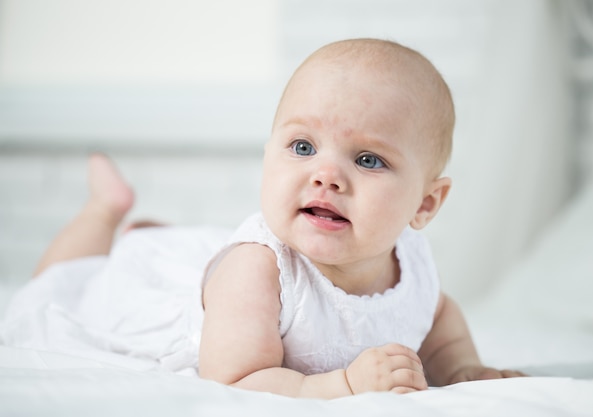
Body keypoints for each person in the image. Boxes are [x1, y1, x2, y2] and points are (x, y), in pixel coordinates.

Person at [4, 38, 523, 399]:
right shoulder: (257, 269)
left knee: (169, 255)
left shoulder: (410, 262)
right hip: (197, 310)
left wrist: (460, 367)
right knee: (62, 286)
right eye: (302, 146)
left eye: (368, 159)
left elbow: (435, 317)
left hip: (218, 281)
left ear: (425, 205)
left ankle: (154, 233)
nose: (327, 176)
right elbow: (234, 380)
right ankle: (105, 210)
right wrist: (341, 386)